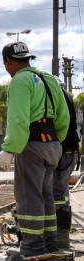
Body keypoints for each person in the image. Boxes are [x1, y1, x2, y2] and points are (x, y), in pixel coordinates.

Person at [0, 41, 69, 256]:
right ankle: (49, 243)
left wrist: (10, 148)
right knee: (46, 195)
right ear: (28, 58)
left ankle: (32, 246)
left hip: (32, 145)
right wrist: (54, 143)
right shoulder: (50, 80)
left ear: (8, 62)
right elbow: (64, 118)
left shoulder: (20, 80)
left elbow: (19, 119)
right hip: (53, 144)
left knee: (29, 196)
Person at [53, 84, 80, 249]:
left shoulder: (57, 97)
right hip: (71, 151)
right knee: (62, 192)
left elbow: (61, 126)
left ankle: (60, 239)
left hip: (63, 152)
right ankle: (62, 236)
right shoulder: (68, 97)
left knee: (56, 194)